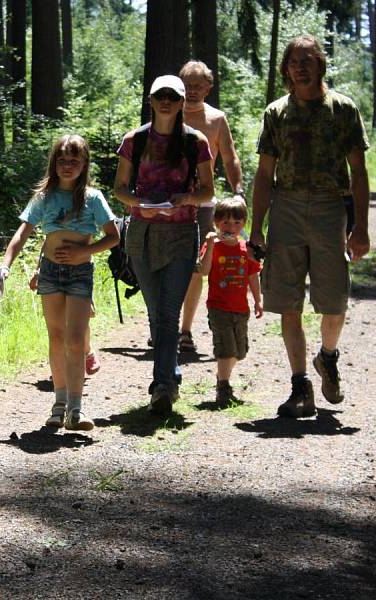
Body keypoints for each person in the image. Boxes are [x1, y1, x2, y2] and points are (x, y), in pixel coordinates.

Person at [250, 34, 370, 418]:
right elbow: (264, 173)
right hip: (285, 207)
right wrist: (257, 228)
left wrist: (361, 227)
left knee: (334, 298)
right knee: (287, 300)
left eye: (308, 60)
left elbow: (359, 171)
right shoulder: (276, 113)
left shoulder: (342, 109)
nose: (300, 67)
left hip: (328, 207)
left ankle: (328, 357)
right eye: (294, 62)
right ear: (286, 69)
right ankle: (300, 384)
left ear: (320, 64)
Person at [0, 134, 119, 430]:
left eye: (74, 161)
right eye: (62, 160)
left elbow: (113, 237)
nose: (68, 166)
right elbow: (22, 234)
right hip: (51, 272)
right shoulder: (44, 197)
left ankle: (76, 410)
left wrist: (84, 252)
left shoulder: (93, 198)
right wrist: (5, 265)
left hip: (80, 273)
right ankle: (59, 404)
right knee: (56, 337)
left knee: (76, 339)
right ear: (54, 163)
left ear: (84, 164)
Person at [113, 75, 215, 416]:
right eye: (161, 96)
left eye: (173, 96)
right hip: (141, 234)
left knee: (169, 312)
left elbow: (208, 193)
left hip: (182, 235)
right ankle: (169, 372)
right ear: (151, 100)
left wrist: (186, 197)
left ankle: (163, 388)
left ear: (183, 100)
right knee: (157, 313)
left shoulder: (195, 142)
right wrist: (140, 203)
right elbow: (120, 188)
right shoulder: (135, 140)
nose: (167, 101)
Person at [178, 60, 246, 354]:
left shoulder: (217, 119)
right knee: (164, 264)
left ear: (208, 87)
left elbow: (230, 158)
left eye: (198, 85)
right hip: (167, 202)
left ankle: (184, 331)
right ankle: (161, 325)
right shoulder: (168, 112)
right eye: (188, 84)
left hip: (203, 204)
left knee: (196, 267)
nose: (192, 91)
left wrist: (238, 190)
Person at [198, 197, 263, 405]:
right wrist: (209, 244)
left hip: (241, 309)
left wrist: (258, 300)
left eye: (237, 223)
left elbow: (252, 276)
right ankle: (223, 387)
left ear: (244, 223)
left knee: (240, 352)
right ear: (217, 223)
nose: (231, 227)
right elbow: (204, 271)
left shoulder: (246, 249)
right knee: (226, 349)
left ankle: (221, 376)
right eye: (225, 222)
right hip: (219, 307)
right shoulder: (214, 246)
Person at [29, 270, 100, 375]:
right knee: (59, 323)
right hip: (51, 273)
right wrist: (38, 272)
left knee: (80, 319)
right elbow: (45, 253)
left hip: (78, 271)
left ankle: (87, 351)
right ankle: (66, 364)